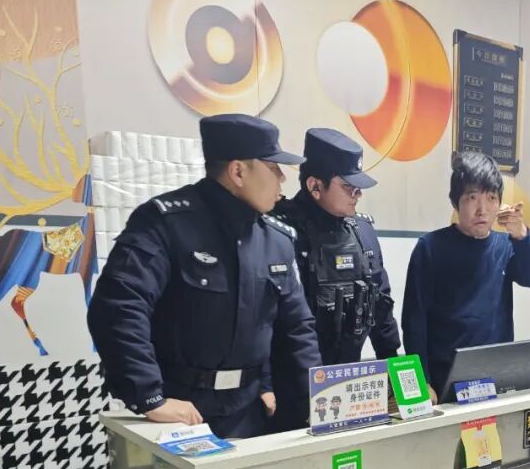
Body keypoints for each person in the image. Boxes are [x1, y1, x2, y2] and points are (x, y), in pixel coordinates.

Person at [88, 114, 321, 439]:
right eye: (273, 168)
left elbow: (296, 328)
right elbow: (120, 305)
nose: (282, 179)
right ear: (238, 171)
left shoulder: (276, 240)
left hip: (251, 411)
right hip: (182, 413)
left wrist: (311, 402)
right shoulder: (166, 224)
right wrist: (148, 397)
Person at [402, 151, 530, 394]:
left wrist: (522, 236)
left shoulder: (506, 245)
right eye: (472, 197)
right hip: (442, 381)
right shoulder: (430, 247)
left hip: (495, 380)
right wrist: (422, 380)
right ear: (456, 202)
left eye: (491, 198)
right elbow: (414, 320)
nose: (482, 210)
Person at [273, 127, 400, 366]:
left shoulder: (363, 232)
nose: (358, 194)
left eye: (358, 187)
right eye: (348, 186)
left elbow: (381, 308)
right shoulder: (279, 233)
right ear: (315, 186)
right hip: (291, 376)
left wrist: (395, 367)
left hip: (346, 374)